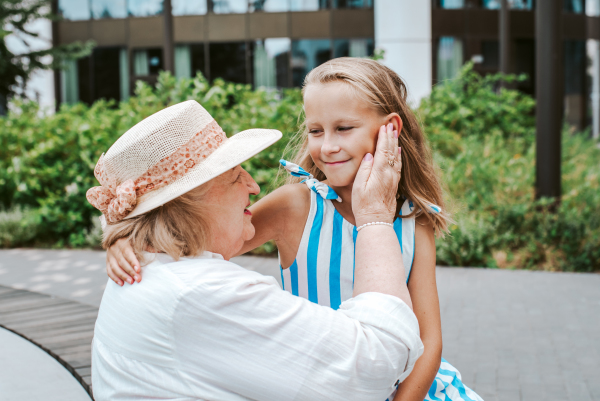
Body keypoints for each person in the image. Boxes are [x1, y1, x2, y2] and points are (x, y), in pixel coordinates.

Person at [106, 59, 483, 401]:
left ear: (390, 130)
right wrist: (132, 239)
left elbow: (428, 339)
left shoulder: (413, 223)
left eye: (344, 128)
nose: (328, 146)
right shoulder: (296, 206)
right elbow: (198, 240)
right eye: (316, 130)